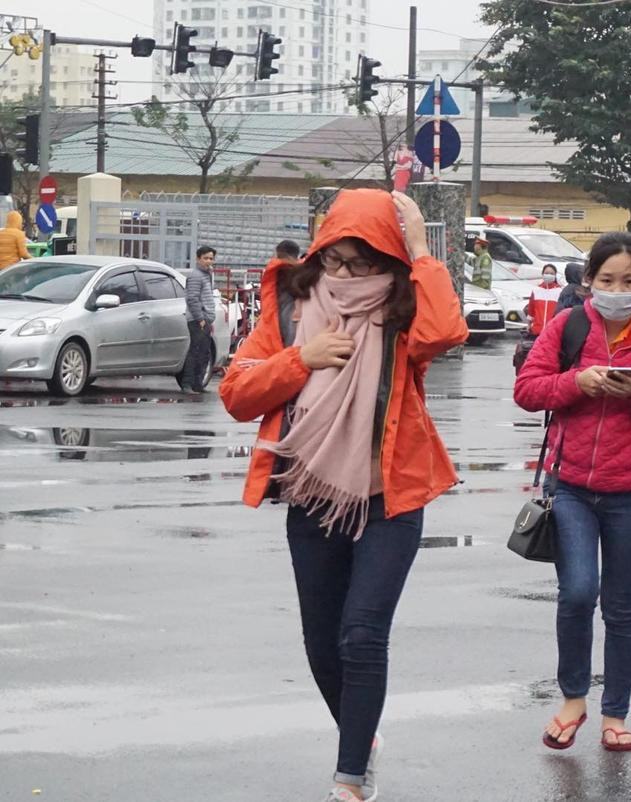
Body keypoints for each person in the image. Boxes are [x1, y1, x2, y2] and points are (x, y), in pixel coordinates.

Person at [219, 189, 468, 802]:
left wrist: (418, 247)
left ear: (388, 262)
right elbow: (237, 393)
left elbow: (448, 331)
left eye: (365, 262)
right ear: (319, 253)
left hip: (391, 496)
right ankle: (362, 736)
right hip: (312, 495)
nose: (349, 276)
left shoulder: (405, 309)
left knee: (361, 635)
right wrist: (300, 360)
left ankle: (349, 777)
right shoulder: (290, 307)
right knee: (322, 642)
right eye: (337, 260)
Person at [514, 231, 631, 754]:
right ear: (589, 279)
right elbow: (528, 389)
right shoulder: (568, 326)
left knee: (621, 607)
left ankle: (615, 712)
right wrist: (577, 382)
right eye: (607, 279)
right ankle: (573, 698)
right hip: (568, 487)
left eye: (629, 281)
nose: (617, 289)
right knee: (575, 594)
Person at [182, 246, 217, 393]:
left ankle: (198, 383)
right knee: (195, 351)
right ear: (198, 259)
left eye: (211, 258)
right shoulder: (196, 276)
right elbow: (192, 298)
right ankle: (187, 384)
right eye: (205, 258)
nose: (209, 261)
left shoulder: (207, 274)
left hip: (206, 319)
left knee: (204, 352)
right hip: (198, 320)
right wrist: (200, 318)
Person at [527, 265, 562, 337]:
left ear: (555, 275)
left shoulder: (559, 291)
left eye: (552, 274)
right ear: (542, 274)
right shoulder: (536, 290)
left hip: (552, 333)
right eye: (547, 273)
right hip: (536, 331)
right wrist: (529, 325)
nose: (549, 275)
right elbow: (531, 311)